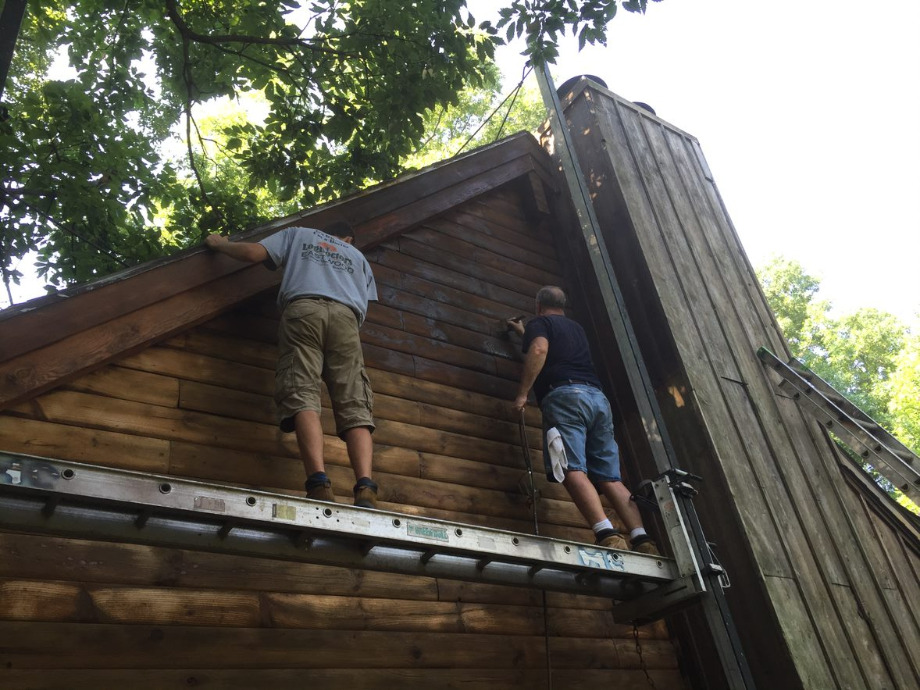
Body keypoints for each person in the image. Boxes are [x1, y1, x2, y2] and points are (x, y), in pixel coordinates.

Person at [205, 221, 379, 509]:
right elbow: (365, 301)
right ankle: (366, 487)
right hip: (346, 319)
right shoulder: (357, 257)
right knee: (354, 400)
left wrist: (219, 244)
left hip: (303, 310)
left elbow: (253, 254)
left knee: (302, 390)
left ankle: (319, 483)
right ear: (349, 238)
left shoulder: (298, 234)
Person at [508, 285, 658, 554]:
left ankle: (607, 534)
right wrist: (524, 334)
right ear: (562, 306)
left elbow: (540, 350)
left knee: (570, 467)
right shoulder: (576, 329)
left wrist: (522, 395)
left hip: (566, 397)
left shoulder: (539, 323)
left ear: (537, 305)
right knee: (610, 477)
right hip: (597, 399)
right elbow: (551, 347)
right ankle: (643, 539)